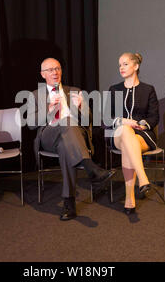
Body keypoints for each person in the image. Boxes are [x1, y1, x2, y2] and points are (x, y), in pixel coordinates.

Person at [29, 58, 115, 221]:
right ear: (42, 74)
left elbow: (89, 120)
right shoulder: (35, 95)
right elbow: (31, 126)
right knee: (66, 122)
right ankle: (92, 168)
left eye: (58, 68)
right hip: (48, 136)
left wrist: (82, 107)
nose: (55, 72)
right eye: (50, 70)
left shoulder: (75, 91)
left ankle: (69, 203)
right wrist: (47, 110)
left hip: (73, 137)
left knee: (65, 146)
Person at [107, 52, 159, 215]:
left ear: (136, 66)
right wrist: (124, 121)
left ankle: (130, 199)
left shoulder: (148, 89)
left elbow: (154, 117)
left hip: (142, 136)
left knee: (129, 145)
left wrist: (141, 126)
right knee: (124, 129)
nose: (121, 68)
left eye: (125, 64)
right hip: (117, 134)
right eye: (120, 65)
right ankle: (143, 178)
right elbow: (106, 119)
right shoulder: (114, 89)